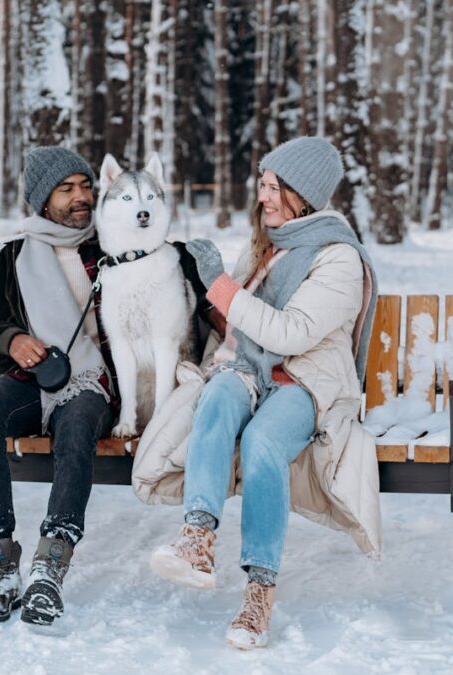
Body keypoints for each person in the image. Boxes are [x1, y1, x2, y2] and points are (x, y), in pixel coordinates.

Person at [138, 136, 381, 649]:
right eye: (263, 186)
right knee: (218, 398)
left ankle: (259, 591)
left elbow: (290, 334)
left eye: (273, 188)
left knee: (263, 442)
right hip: (248, 369)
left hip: (304, 380)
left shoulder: (339, 258)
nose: (263, 198)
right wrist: (199, 284)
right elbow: (239, 327)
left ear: (303, 194)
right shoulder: (268, 245)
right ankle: (197, 539)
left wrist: (221, 284)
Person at [0, 146, 212, 626]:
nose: (81, 196)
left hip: (93, 383)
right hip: (28, 378)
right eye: (66, 189)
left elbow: (168, 278)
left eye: (85, 186)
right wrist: (11, 340)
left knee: (78, 424)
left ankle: (50, 565)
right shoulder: (15, 257)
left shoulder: (113, 245)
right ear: (42, 200)